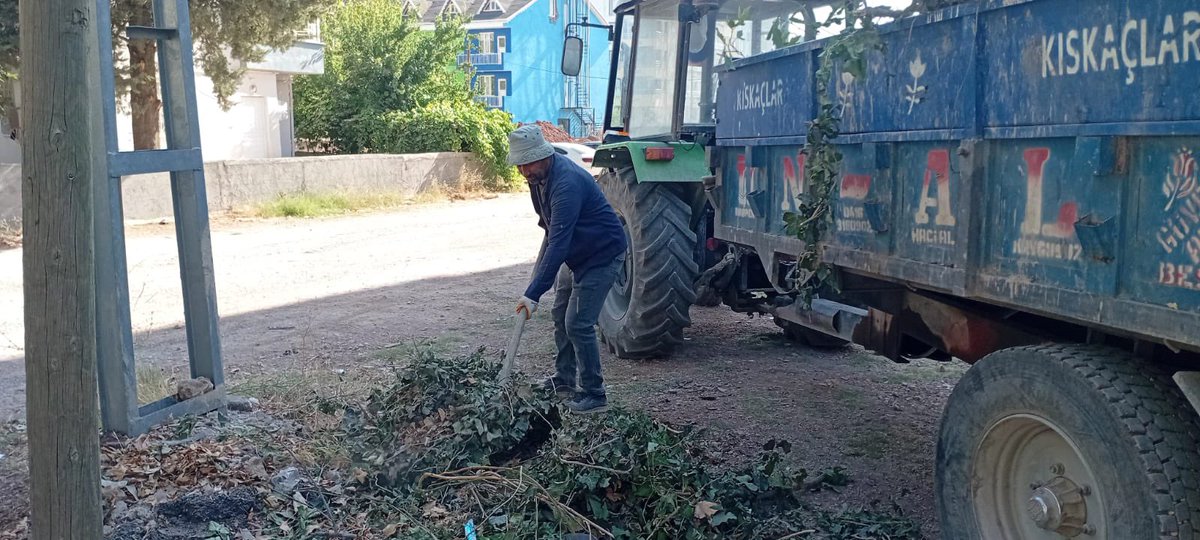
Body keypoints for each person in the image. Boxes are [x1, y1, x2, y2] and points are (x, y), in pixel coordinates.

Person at [508, 125, 627, 414]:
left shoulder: (566, 184)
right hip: (577, 250)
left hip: (601, 254)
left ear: (544, 155)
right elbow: (550, 230)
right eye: (520, 165)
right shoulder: (537, 178)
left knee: (578, 323)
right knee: (560, 313)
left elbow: (558, 245)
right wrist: (533, 287)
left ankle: (594, 393)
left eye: (528, 164)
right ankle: (564, 379)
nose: (524, 171)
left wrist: (534, 293)